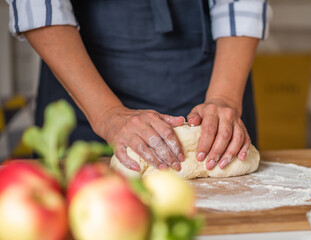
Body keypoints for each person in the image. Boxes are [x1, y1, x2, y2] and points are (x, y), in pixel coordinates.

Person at [6, 0, 270, 172]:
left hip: (210, 66)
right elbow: (37, 6)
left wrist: (224, 97)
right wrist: (107, 114)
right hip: (81, 71)